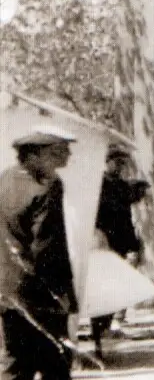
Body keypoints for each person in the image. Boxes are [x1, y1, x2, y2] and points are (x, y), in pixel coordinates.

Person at [0, 127, 78, 380]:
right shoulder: (47, 187)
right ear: (33, 156)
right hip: (41, 292)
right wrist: (62, 293)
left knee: (16, 364)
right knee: (55, 364)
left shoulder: (4, 179)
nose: (64, 158)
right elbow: (46, 246)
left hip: (8, 290)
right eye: (56, 153)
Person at [90, 144, 150, 358]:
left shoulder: (119, 185)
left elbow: (133, 193)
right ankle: (99, 334)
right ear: (107, 162)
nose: (120, 166)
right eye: (117, 162)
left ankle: (105, 327)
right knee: (101, 291)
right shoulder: (100, 184)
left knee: (112, 290)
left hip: (120, 245)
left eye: (122, 163)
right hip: (104, 243)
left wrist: (140, 187)